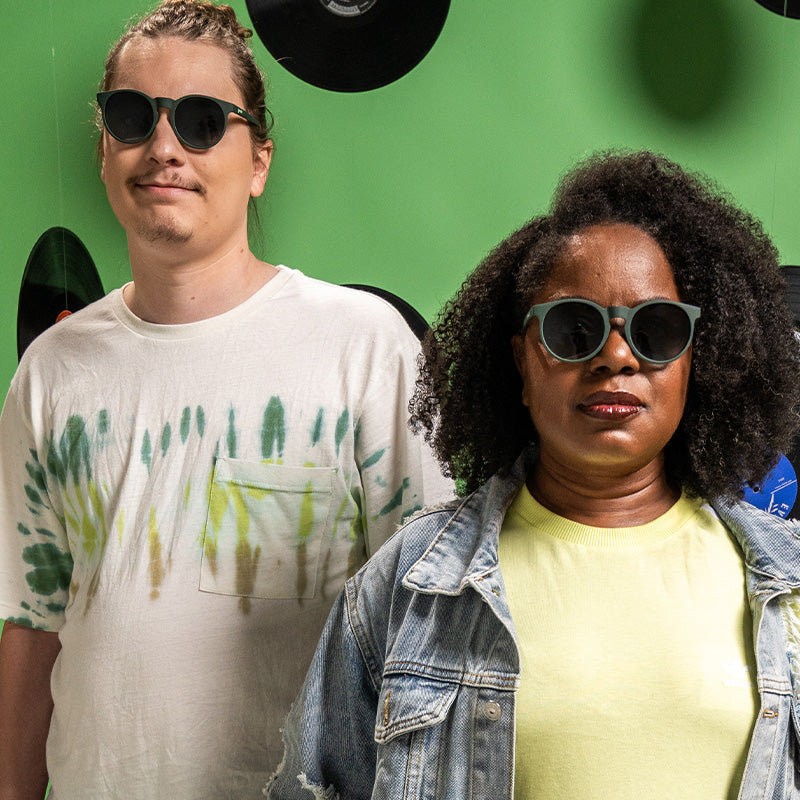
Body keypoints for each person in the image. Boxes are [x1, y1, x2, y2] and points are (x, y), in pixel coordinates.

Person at [0, 1, 451, 798]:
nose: (165, 146)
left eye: (204, 120)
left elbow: (432, 634)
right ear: (104, 149)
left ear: (260, 161)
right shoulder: (50, 372)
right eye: (133, 116)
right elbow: (33, 629)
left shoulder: (367, 350)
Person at [266, 151, 800, 800]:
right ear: (521, 360)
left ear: (697, 360)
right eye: (573, 328)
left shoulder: (786, 588)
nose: (616, 355)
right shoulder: (410, 583)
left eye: (656, 328)